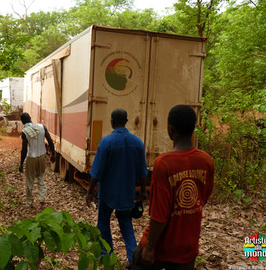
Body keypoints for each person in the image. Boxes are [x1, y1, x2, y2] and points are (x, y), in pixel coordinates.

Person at [132, 104, 215, 270]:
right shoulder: (206, 161)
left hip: (162, 246)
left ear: (171, 129)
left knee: (136, 260)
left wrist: (149, 247)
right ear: (193, 128)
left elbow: (159, 215)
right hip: (188, 247)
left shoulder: (164, 163)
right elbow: (202, 199)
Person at [85, 108, 148, 266]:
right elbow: (142, 171)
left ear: (112, 122)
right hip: (127, 192)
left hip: (107, 193)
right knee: (126, 222)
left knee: (103, 223)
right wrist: (144, 191)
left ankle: (107, 255)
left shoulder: (106, 142)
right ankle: (133, 258)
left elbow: (97, 171)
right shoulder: (138, 143)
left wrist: (89, 192)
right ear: (126, 122)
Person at [19, 112, 55, 208]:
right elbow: (50, 141)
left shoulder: (25, 131)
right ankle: (42, 199)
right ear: (30, 118)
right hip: (42, 156)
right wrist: (53, 154)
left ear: (22, 122)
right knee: (41, 177)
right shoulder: (42, 127)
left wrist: (21, 163)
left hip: (31, 157)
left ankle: (29, 203)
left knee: (29, 179)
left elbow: (24, 150)